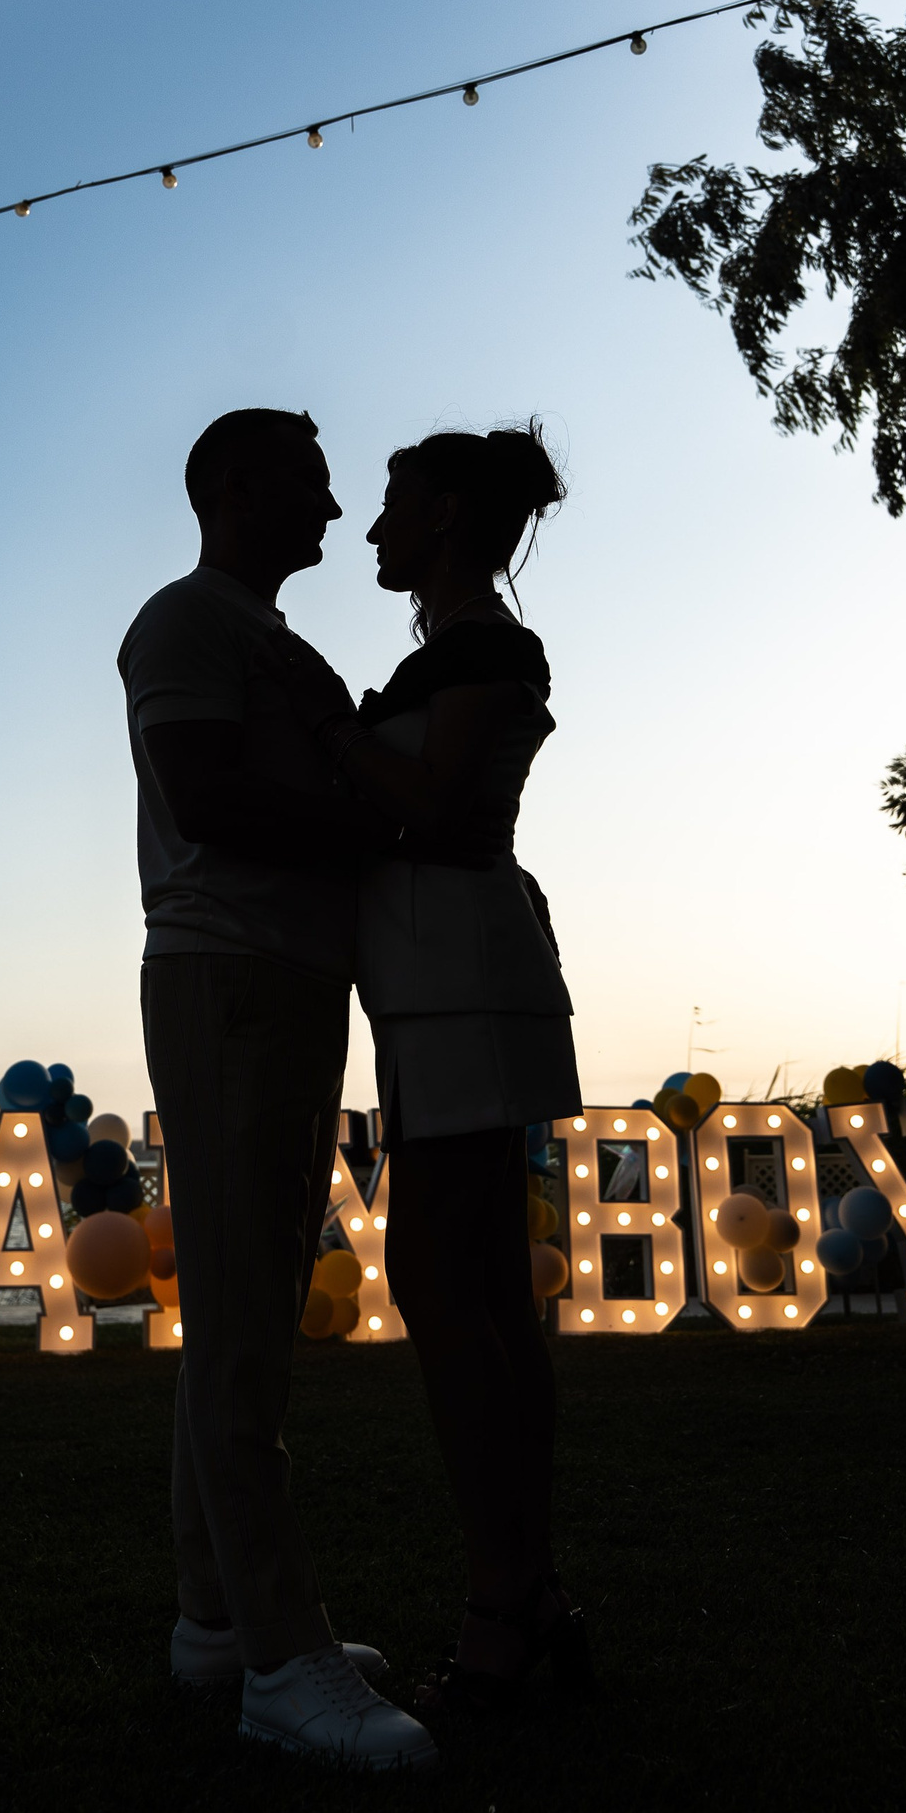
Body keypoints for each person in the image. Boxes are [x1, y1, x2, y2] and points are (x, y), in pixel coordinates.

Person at [117, 407, 439, 1773]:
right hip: (230, 978)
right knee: (245, 1319)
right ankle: (281, 1656)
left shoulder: (258, 637)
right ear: (236, 488)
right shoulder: (187, 624)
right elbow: (207, 799)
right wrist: (375, 819)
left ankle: (216, 1616)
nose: (333, 508)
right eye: (312, 482)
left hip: (283, 982)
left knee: (242, 1312)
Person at [265, 423, 591, 1727]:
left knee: (452, 1289)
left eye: (395, 505)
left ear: (447, 513)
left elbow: (444, 809)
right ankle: (528, 1593)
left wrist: (327, 725)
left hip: (465, 984)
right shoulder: (453, 653)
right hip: (437, 989)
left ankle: (501, 1606)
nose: (373, 528)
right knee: (484, 1292)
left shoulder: (488, 650)